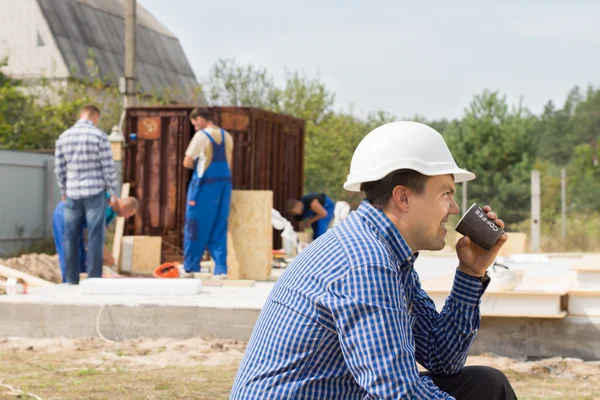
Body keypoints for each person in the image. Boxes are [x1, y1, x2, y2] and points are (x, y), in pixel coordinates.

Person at [231, 121, 517, 399]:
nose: (454, 208)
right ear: (403, 198)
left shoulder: (389, 255)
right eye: (446, 194)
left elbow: (442, 358)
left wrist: (471, 272)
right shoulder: (366, 263)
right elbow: (399, 393)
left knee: (485, 385)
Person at [54, 105, 119, 285]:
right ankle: (93, 279)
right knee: (95, 236)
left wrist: (64, 191)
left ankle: (71, 280)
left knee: (70, 236)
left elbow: (59, 169)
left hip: (73, 194)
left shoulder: (64, 137)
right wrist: (113, 191)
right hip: (95, 192)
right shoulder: (99, 136)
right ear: (95, 116)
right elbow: (108, 167)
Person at [181, 108, 234, 279]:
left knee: (195, 226)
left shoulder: (201, 136)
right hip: (224, 187)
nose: (195, 127)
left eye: (195, 123)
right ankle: (220, 269)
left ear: (201, 119)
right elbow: (230, 163)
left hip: (204, 187)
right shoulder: (228, 136)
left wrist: (196, 166)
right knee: (219, 227)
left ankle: (190, 267)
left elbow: (187, 162)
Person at [52, 194, 138, 283]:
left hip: (78, 223)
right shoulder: (105, 205)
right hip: (65, 215)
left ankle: (81, 287)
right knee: (70, 255)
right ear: (124, 207)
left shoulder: (111, 213)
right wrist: (109, 258)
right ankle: (69, 287)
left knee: (82, 259)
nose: (127, 218)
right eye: (129, 214)